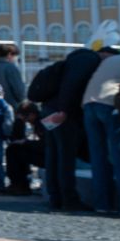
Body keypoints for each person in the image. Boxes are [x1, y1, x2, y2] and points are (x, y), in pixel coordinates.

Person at [80, 40, 120, 215]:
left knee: (98, 158)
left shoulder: (109, 61)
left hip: (88, 105)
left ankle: (102, 204)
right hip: (109, 105)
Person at [39, 43, 102, 211]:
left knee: (53, 155)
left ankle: (55, 197)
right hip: (62, 113)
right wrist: (65, 110)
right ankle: (69, 198)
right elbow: (71, 85)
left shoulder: (68, 62)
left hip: (49, 109)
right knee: (66, 156)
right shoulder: (89, 60)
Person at [0, 42, 28, 112]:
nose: (15, 59)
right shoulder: (10, 68)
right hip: (9, 109)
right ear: (9, 55)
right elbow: (19, 92)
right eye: (15, 56)